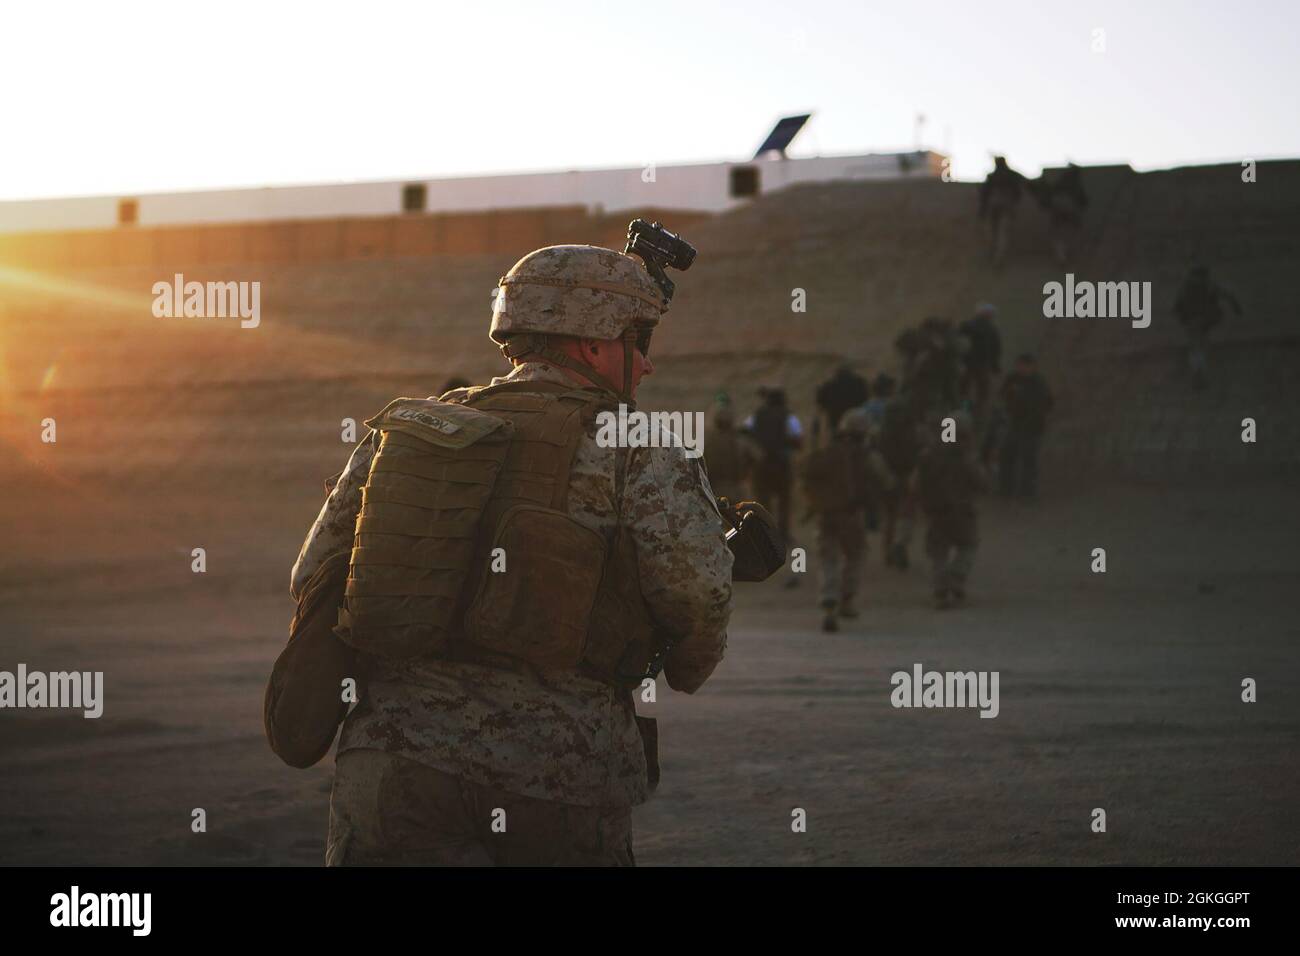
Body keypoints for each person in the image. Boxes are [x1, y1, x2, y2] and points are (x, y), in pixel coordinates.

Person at [290, 240, 734, 866]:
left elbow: (314, 575)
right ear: (593, 343)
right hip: (558, 770)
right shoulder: (639, 445)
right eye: (642, 342)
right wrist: (687, 667)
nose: (647, 366)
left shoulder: (406, 432)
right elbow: (698, 593)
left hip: (393, 762)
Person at [802, 409, 894, 632]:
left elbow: (806, 474)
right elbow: (887, 482)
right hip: (851, 516)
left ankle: (828, 600)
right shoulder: (868, 456)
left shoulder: (827, 451)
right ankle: (847, 599)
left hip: (825, 515)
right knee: (855, 556)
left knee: (827, 559)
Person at [916, 410, 988, 609]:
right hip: (963, 511)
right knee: (968, 546)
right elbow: (982, 482)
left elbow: (918, 483)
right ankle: (956, 578)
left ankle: (940, 588)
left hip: (936, 510)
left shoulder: (929, 454)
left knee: (938, 552)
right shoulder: (967, 457)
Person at [743, 386, 804, 550]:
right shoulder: (788, 417)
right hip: (782, 464)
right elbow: (798, 440)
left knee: (763, 502)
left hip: (761, 464)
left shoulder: (756, 416)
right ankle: (783, 534)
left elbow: (744, 433)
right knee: (784, 501)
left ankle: (766, 535)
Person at [1174, 265, 1242, 388]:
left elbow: (1177, 305)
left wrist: (1181, 318)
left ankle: (1198, 372)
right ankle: (1199, 373)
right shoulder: (1209, 285)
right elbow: (1228, 295)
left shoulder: (1187, 287)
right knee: (1200, 344)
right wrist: (1237, 308)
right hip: (1206, 319)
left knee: (1196, 345)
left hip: (1193, 320)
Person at [997, 353, 1053, 499]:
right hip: (1014, 424)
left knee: (1029, 462)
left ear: (1032, 367)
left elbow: (1046, 403)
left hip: (1032, 427)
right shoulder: (1013, 379)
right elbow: (1003, 395)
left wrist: (1034, 415)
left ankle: (1027, 495)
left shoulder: (1039, 383)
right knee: (1006, 457)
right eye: (1019, 365)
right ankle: (1005, 491)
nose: (1021, 369)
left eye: (1025, 366)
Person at [703, 398, 757, 504]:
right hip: (737, 491)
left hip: (712, 493)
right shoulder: (740, 441)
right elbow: (757, 457)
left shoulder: (706, 441)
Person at [978, 156, 1029, 267]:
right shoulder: (1011, 175)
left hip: (995, 205)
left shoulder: (992, 177)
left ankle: (994, 257)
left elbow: (984, 194)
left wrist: (982, 211)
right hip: (1006, 205)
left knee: (995, 232)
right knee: (1001, 233)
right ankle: (997, 258)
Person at [1037, 163, 1088, 265]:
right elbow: (1083, 201)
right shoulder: (1075, 184)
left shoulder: (1062, 182)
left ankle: (1062, 256)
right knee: (1065, 234)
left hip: (1061, 211)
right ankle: (1063, 256)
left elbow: (1051, 194)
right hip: (1067, 211)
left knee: (1059, 235)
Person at [815, 364, 869, 431]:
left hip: (835, 420)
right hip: (855, 419)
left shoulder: (829, 385)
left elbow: (820, 402)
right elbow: (866, 399)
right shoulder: (860, 383)